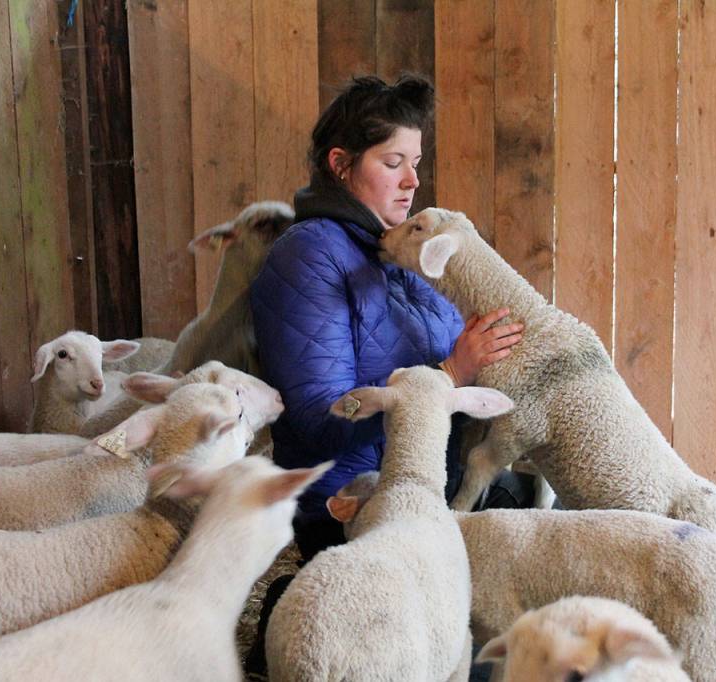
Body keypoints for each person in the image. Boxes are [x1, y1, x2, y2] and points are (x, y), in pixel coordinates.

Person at [245, 73, 530, 678]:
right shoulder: (309, 257)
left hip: (434, 483)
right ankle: (288, 617)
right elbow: (319, 418)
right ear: (341, 164)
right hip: (356, 504)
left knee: (549, 543)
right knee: (495, 657)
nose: (412, 180)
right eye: (393, 161)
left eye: (417, 162)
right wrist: (452, 370)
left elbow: (451, 346)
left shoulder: (395, 249)